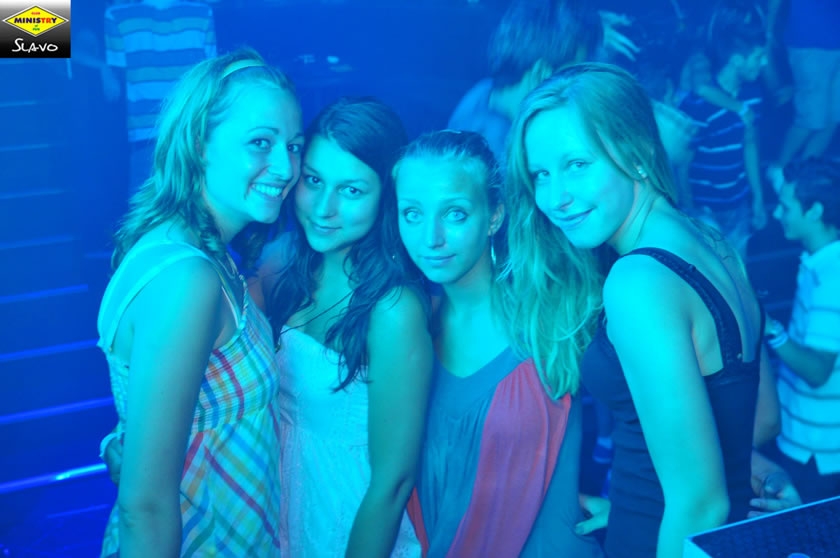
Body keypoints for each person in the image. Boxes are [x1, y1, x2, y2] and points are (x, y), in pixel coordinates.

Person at [505, 62, 767, 558]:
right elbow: (754, 419)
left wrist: (644, 519)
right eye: (541, 174)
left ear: (637, 152)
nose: (555, 198)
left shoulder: (638, 281)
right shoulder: (712, 241)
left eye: (577, 164)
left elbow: (700, 505)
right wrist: (630, 506)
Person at [96, 48, 303, 557]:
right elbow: (144, 506)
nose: (285, 167)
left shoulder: (201, 253)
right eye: (261, 142)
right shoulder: (187, 277)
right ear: (198, 144)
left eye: (294, 146)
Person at [393, 130, 603, 557]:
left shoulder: (553, 315)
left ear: (494, 217)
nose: (430, 238)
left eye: (454, 214)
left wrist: (641, 507)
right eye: (412, 214)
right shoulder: (405, 326)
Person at [256, 97, 431, 557]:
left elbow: (393, 482)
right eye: (313, 180)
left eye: (351, 190)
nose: (323, 208)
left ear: (386, 195)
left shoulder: (393, 309)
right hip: (276, 504)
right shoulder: (280, 264)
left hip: (351, 520)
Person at [763, 157, 840, 504]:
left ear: (814, 211)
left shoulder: (831, 280)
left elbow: (817, 371)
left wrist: (770, 329)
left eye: (786, 205)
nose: (778, 214)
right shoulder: (821, 264)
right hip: (805, 438)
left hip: (816, 451)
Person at [677, 16, 769, 258]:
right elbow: (682, 164)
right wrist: (689, 210)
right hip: (704, 208)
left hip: (739, 203)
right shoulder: (697, 107)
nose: (765, 62)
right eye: (758, 57)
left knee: (739, 270)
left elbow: (750, 145)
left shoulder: (753, 94)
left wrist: (758, 199)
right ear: (737, 60)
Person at [104, 0, 217, 194]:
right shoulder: (202, 13)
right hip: (187, 132)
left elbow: (52, 56)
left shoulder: (116, 16)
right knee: (194, 204)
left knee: (148, 207)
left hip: (154, 134)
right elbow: (211, 78)